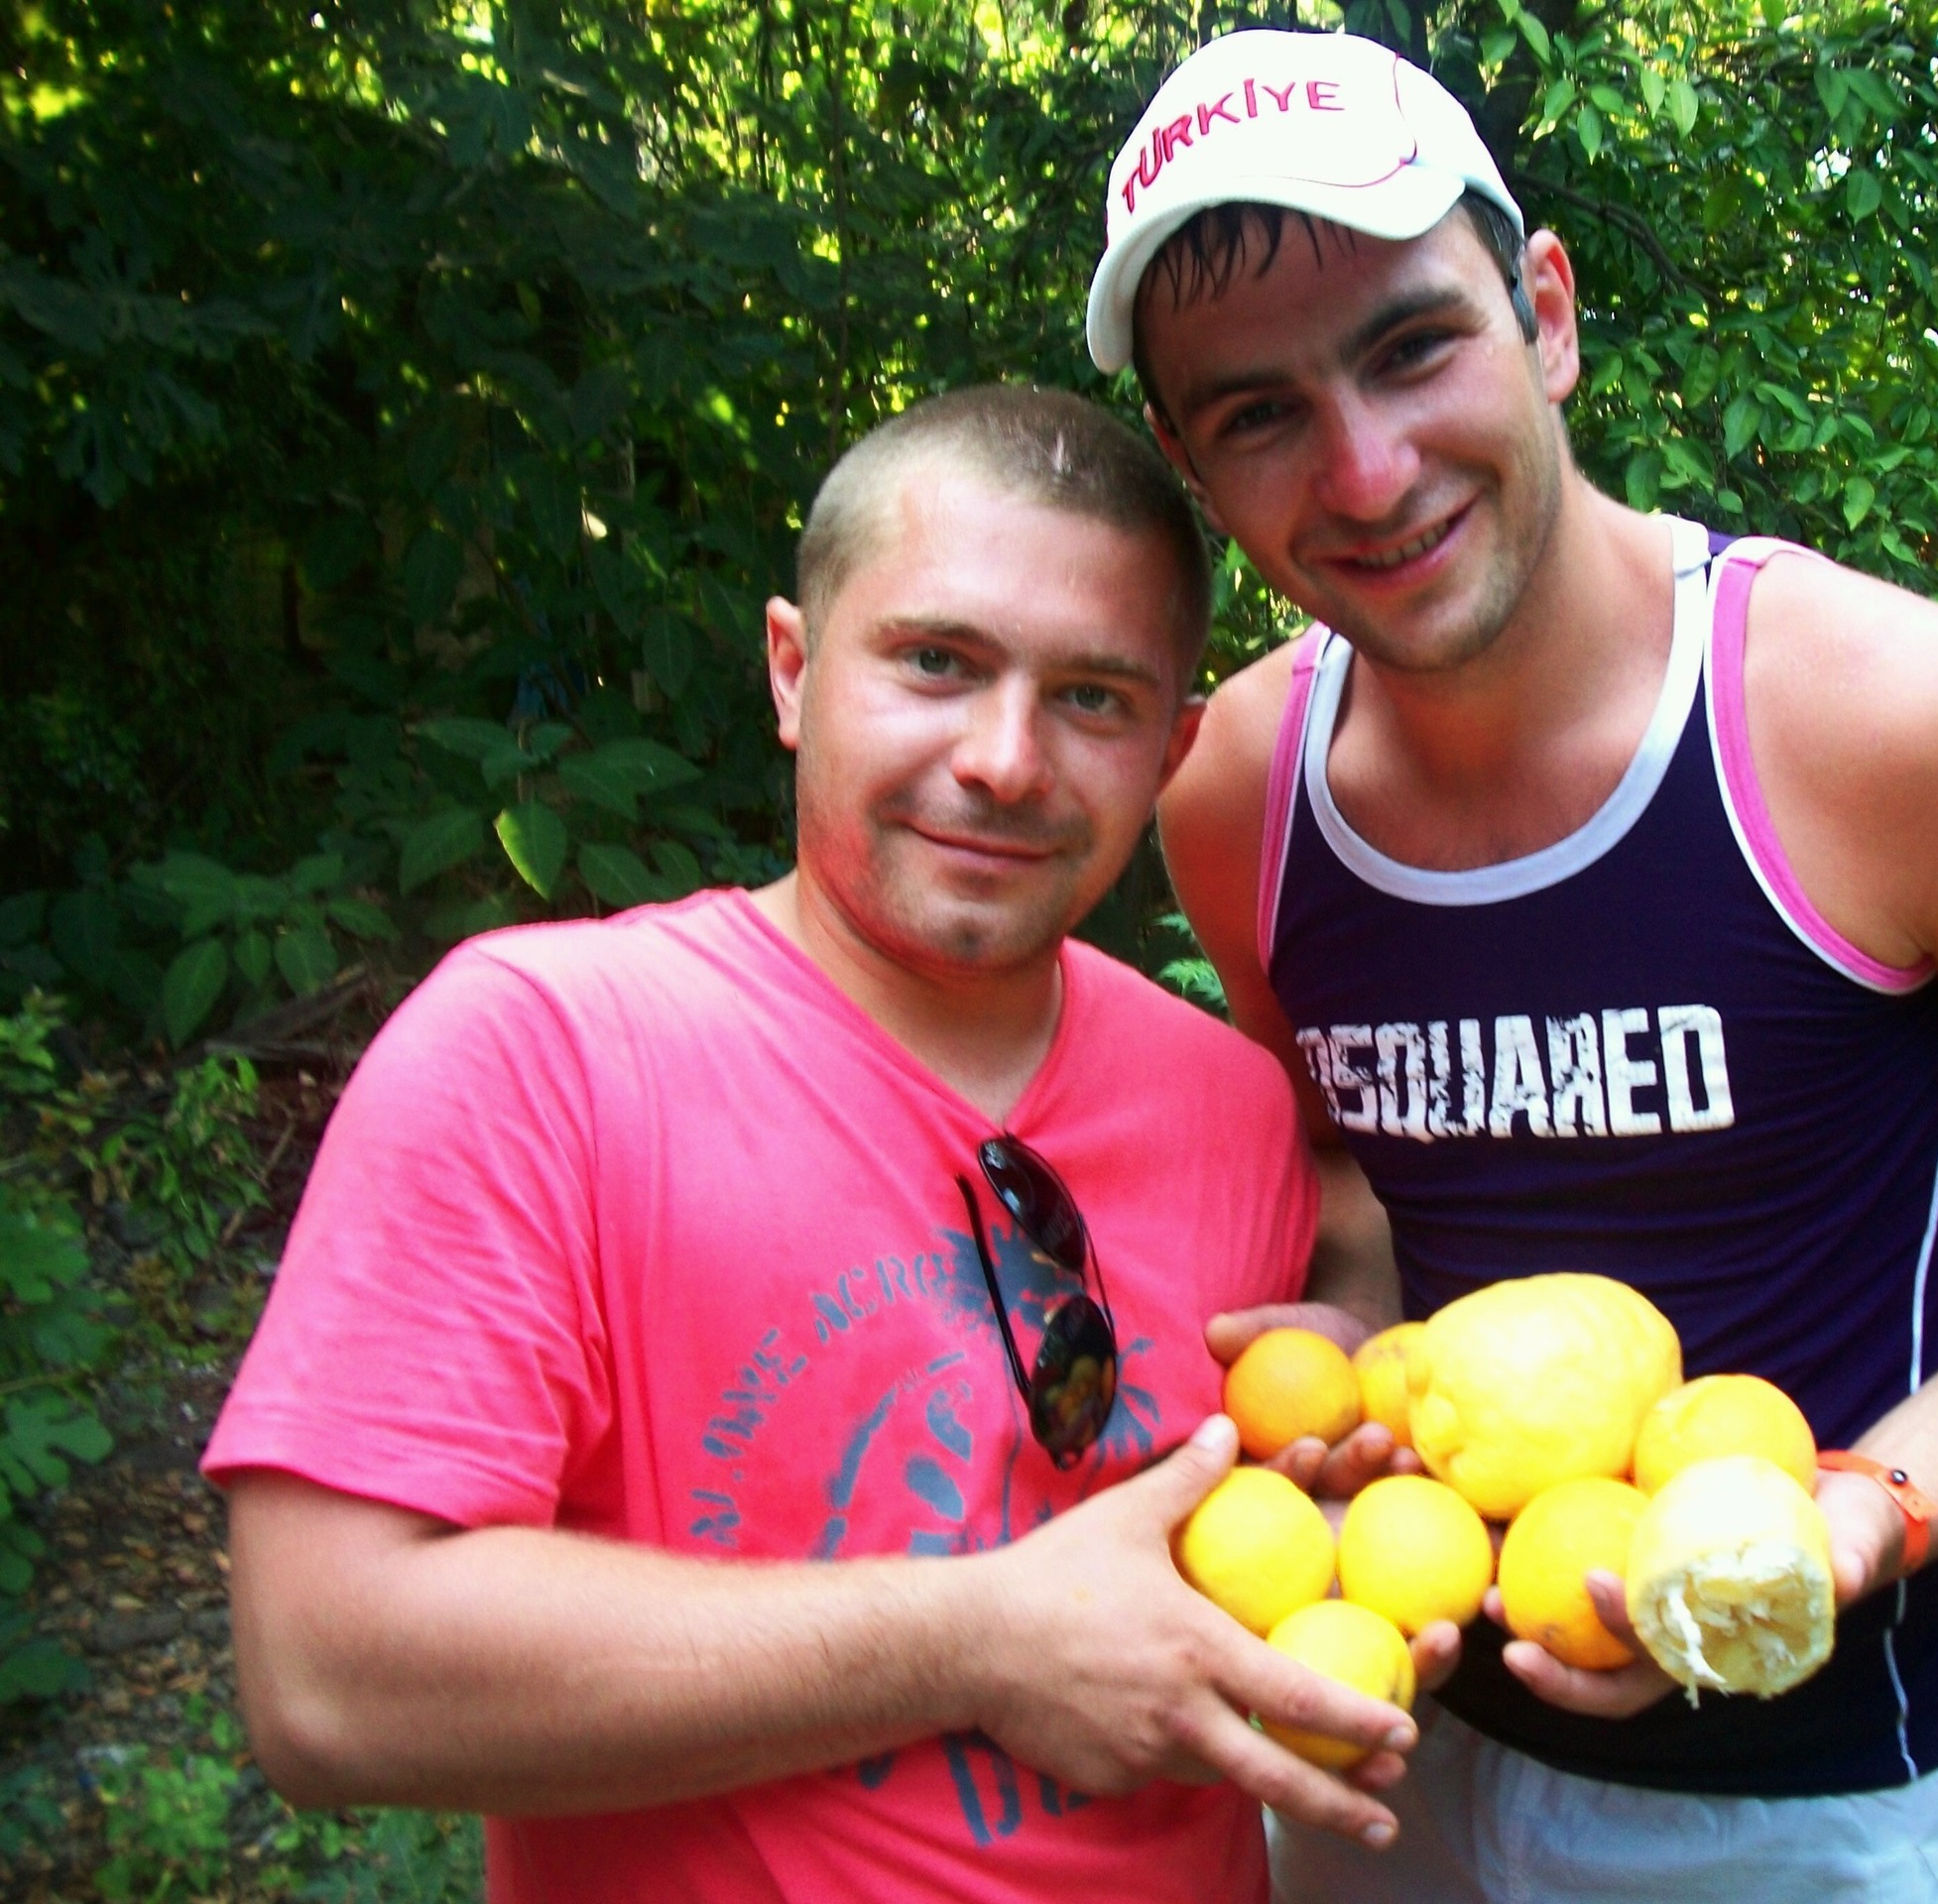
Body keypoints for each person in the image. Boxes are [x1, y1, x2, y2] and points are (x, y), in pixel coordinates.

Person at [1086, 30, 1938, 1903]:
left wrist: (1879, 1505)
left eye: (1413, 347)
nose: (1365, 469)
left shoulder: (1883, 724)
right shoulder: (1237, 787)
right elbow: (1347, 1155)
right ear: (1192, 462)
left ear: (1546, 315)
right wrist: (1350, 1322)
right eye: (1258, 415)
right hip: (1388, 1741)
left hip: (1815, 1802)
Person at [203, 385, 1426, 1904]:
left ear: (1175, 746)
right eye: (936, 662)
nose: (1005, 759)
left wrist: (1355, 1369)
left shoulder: (1229, 1105)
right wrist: (978, 1640)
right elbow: (329, 1680)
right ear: (794, 669)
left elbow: (1335, 1303)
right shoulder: (545, 1053)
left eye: (1093, 698)